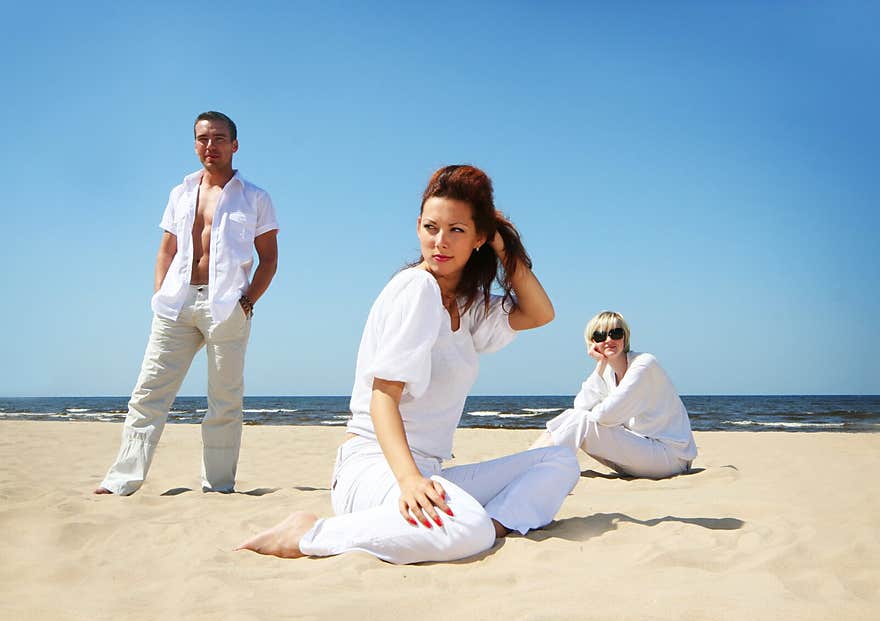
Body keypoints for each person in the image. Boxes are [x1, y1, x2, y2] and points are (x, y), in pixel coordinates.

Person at [236, 165, 579, 564]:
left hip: (428, 470)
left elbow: (540, 313)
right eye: (431, 227)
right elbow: (383, 396)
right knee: (467, 529)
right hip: (375, 467)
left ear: (478, 239)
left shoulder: (468, 306)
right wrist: (409, 480)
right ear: (418, 226)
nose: (440, 241)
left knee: (558, 458)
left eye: (457, 230)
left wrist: (505, 247)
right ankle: (310, 533)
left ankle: (492, 524)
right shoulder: (417, 289)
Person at [95, 111, 279, 495]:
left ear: (234, 144)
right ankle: (121, 480)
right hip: (176, 305)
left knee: (225, 401)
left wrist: (247, 300)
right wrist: (160, 294)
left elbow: (270, 258)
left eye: (218, 138)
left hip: (227, 307)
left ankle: (218, 485)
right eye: (202, 138)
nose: (210, 146)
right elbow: (167, 249)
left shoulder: (256, 198)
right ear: (195, 143)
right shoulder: (179, 193)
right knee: (149, 393)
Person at [531, 311, 697, 478]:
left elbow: (605, 416)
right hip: (644, 452)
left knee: (581, 420)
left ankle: (533, 469)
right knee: (574, 417)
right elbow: (580, 406)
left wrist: (591, 415)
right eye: (600, 335)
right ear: (592, 342)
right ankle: (529, 463)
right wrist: (601, 364)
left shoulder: (644, 364)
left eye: (616, 333)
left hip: (671, 458)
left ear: (625, 337)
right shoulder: (608, 373)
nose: (609, 340)